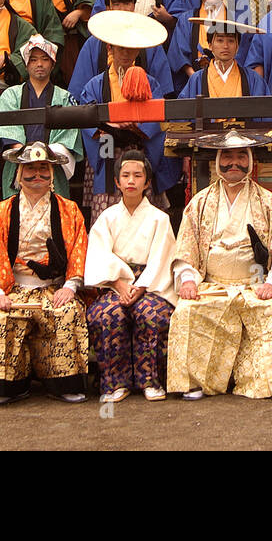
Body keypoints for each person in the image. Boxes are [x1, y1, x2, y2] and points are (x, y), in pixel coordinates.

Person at [167, 130, 272, 399]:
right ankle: (196, 383)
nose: (234, 163)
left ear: (251, 160)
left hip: (256, 284)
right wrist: (189, 280)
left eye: (241, 156)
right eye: (227, 156)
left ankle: (270, 383)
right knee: (187, 311)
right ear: (217, 160)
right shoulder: (200, 202)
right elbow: (186, 247)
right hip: (213, 284)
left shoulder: (268, 200)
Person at [0, 141, 89, 404]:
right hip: (14, 287)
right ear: (19, 174)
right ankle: (7, 387)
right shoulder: (1, 211)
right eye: (31, 169)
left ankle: (64, 383)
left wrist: (69, 287)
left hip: (54, 287)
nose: (37, 174)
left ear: (52, 174)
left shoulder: (69, 209)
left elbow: (78, 249)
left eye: (43, 168)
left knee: (67, 313)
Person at [84, 150, 178, 402]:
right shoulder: (107, 217)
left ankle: (150, 380)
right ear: (116, 181)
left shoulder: (160, 218)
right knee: (107, 314)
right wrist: (118, 283)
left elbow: (163, 257)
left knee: (151, 314)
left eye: (138, 175)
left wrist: (142, 286)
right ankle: (115, 383)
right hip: (115, 283)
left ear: (148, 182)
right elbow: (98, 253)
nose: (131, 181)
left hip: (150, 284)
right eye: (125, 175)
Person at [76, 10, 178, 219]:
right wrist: (107, 127)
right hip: (106, 144)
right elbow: (86, 117)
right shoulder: (95, 84)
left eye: (131, 50)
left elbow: (158, 118)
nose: (125, 54)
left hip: (138, 145)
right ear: (109, 48)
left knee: (142, 205)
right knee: (106, 204)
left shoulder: (150, 82)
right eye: (121, 49)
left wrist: (138, 127)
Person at [0, 35, 83, 199]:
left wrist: (42, 158)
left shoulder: (65, 98)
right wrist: (28, 156)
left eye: (45, 59)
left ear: (53, 63)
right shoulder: (10, 95)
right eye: (33, 60)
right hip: (19, 168)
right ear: (26, 64)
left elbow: (68, 137)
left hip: (52, 170)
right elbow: (6, 132)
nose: (39, 64)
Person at [179, 18, 270, 101]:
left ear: (237, 46)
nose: (225, 46)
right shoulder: (197, 79)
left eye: (231, 41)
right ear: (210, 45)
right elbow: (184, 112)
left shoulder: (253, 79)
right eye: (220, 40)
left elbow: (264, 111)